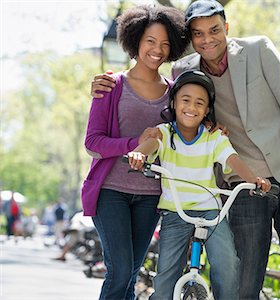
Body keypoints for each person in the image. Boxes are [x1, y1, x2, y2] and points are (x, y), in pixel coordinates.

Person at [91, 1, 280, 298]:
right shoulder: (182, 70)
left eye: (214, 30)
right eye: (198, 34)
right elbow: (167, 110)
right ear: (190, 37)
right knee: (242, 284)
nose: (207, 39)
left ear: (226, 28)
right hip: (242, 185)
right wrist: (108, 82)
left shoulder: (258, 50)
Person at [127, 70, 272, 299]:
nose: (191, 107)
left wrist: (253, 180)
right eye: (185, 100)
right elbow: (150, 145)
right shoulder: (164, 133)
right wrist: (137, 154)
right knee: (166, 275)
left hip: (211, 211)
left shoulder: (213, 137)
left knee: (227, 263)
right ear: (174, 102)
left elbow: (232, 159)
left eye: (199, 103)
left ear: (206, 110)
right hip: (176, 212)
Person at [81, 5, 190, 300]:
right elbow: (93, 143)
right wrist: (134, 143)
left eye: (166, 43)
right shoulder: (112, 85)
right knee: (120, 270)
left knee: (131, 273)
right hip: (110, 191)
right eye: (151, 41)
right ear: (136, 41)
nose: (158, 49)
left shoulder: (174, 92)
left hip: (151, 195)